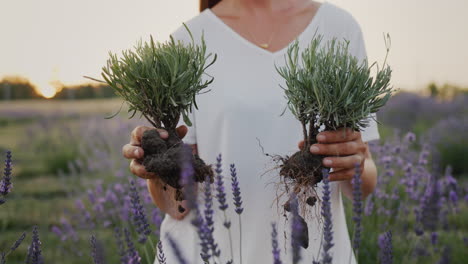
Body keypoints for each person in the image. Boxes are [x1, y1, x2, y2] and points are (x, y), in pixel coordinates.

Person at [122, 0, 379, 263]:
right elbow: (178, 206)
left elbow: (365, 181)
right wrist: (157, 166)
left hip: (314, 252)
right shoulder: (188, 39)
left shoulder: (338, 28)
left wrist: (355, 165)